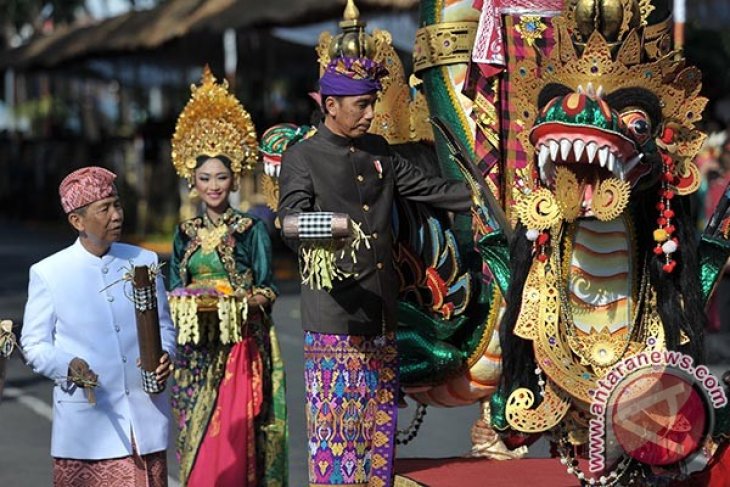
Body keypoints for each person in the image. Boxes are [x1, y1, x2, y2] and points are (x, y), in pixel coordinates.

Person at [277, 56, 473, 487]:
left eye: (371, 104)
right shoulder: (303, 157)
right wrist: (333, 227)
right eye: (360, 106)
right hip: (336, 318)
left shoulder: (378, 150)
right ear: (330, 105)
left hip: (382, 312)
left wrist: (486, 198)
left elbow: (432, 190)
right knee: (338, 440)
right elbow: (288, 221)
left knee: (377, 438)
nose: (369, 114)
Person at [167, 67, 287, 487]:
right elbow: (171, 290)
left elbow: (268, 289)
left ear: (235, 178)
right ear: (192, 182)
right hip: (194, 353)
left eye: (221, 177)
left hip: (239, 348)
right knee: (196, 450)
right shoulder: (183, 234)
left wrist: (234, 302)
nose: (213, 186)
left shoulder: (251, 231)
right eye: (205, 179)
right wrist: (189, 301)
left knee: (236, 447)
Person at [21, 166, 176, 486]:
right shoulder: (49, 272)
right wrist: (68, 365)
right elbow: (34, 345)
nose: (116, 215)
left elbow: (165, 326)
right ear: (77, 221)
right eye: (104, 209)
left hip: (143, 425)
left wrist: (166, 356)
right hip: (86, 428)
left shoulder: (143, 261)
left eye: (117, 205)